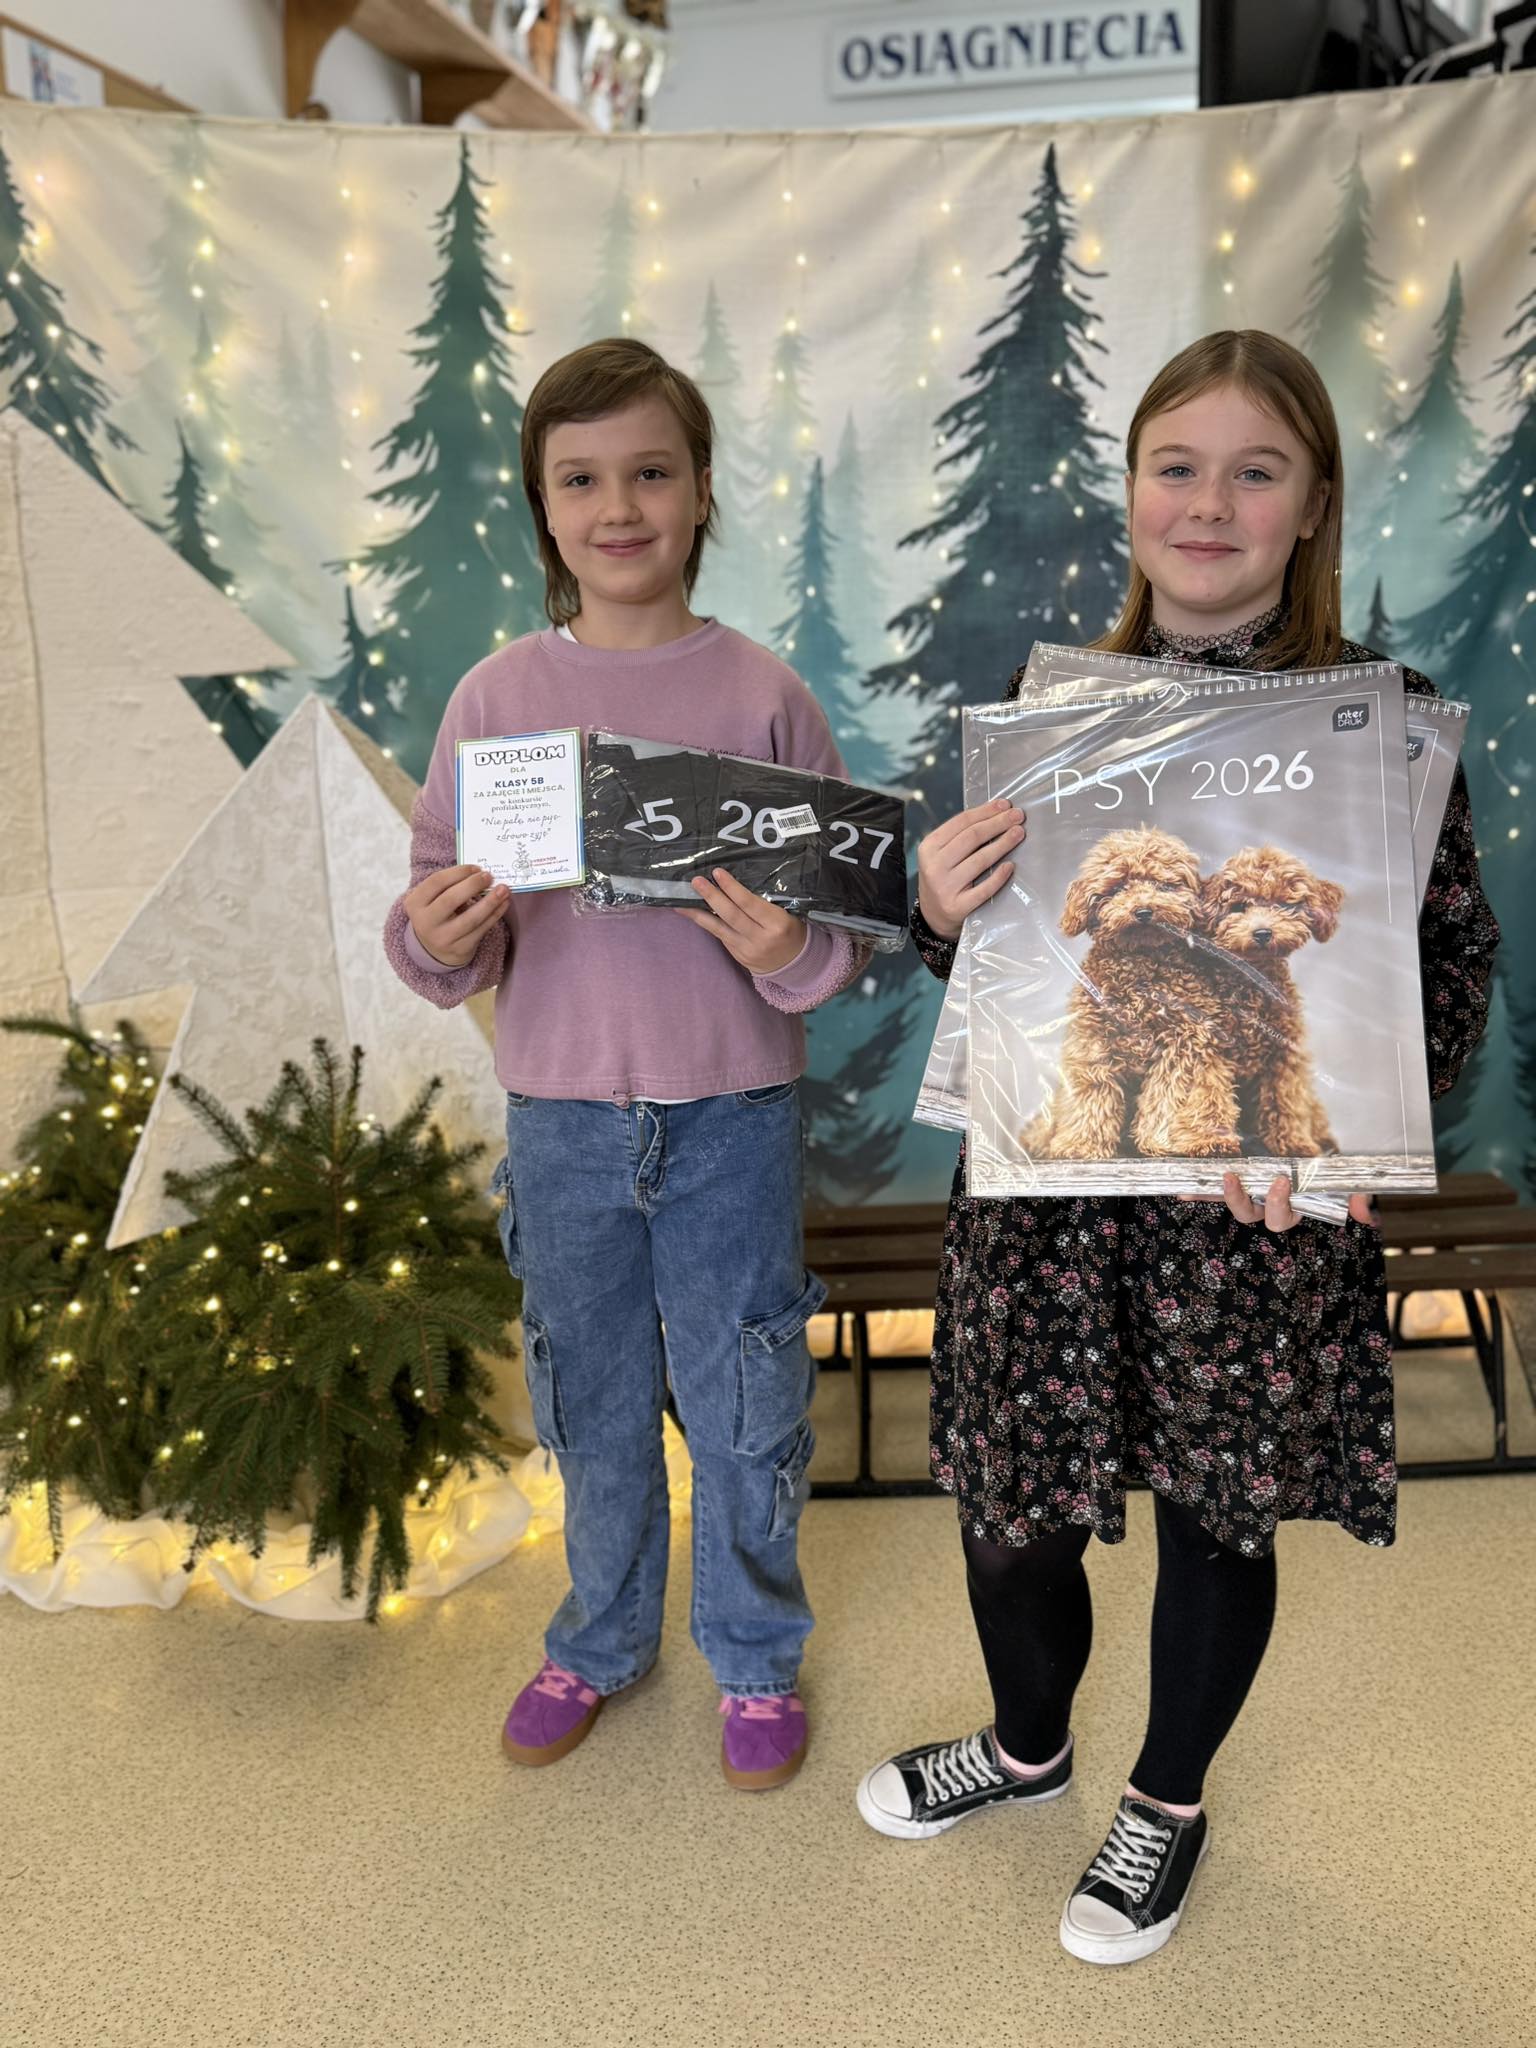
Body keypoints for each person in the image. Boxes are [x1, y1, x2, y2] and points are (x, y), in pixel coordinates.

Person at [855, 330, 1500, 1964]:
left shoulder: (1383, 725)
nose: (1209, 504)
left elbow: (1446, 970)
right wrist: (937, 913)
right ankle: (1027, 1749)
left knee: (1223, 1514)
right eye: (1177, 467)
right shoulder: (1048, 710)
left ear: (1313, 504)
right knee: (1010, 1513)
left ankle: (1166, 1797)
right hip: (1048, 1212)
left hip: (1249, 1210)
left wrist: (1347, 1146)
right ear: (1132, 490)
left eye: (1254, 471)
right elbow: (1004, 976)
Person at [384, 338, 871, 1790]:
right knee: (589, 1402)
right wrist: (437, 933)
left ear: (701, 490)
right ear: (544, 506)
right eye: (582, 479)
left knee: (744, 1402)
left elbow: (837, 942)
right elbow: (438, 933)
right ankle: (598, 1639)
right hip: (563, 1125)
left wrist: (789, 945)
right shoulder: (495, 700)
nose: (619, 507)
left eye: (651, 472)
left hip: (734, 1119)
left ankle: (756, 1654)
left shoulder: (767, 697)